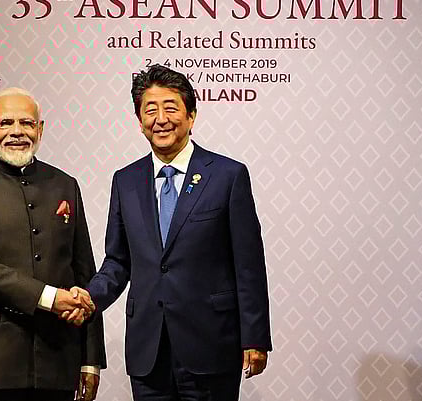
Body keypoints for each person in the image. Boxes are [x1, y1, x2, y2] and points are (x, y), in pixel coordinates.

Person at [73, 65, 273, 400]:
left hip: (211, 345)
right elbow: (118, 262)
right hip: (148, 349)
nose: (160, 118)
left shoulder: (227, 175)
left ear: (191, 116)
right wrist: (89, 298)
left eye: (171, 107)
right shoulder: (126, 181)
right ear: (139, 123)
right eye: (150, 110)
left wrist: (254, 337)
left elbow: (248, 264)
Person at [0, 88, 104, 401]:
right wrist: (48, 297)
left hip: (57, 358)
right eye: (6, 123)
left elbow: (84, 272)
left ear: (40, 129)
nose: (17, 132)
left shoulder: (64, 184)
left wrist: (91, 359)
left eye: (27, 123)